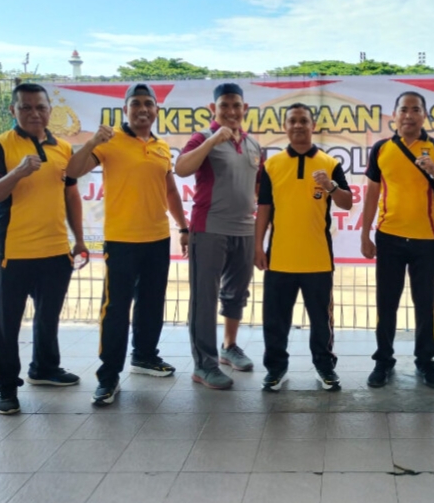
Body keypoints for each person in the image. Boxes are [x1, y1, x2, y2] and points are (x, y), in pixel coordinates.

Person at [66, 83, 188, 407]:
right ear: (125, 110)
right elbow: (72, 171)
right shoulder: (109, 141)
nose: (143, 109)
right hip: (121, 241)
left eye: (149, 104)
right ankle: (108, 378)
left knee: (151, 303)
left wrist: (183, 226)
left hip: (157, 238)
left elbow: (170, 191)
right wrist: (92, 141)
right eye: (136, 104)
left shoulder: (161, 147)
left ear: (156, 110)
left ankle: (145, 356)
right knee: (116, 310)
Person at [0, 83, 87, 415]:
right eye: (25, 107)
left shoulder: (62, 148)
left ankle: (45, 368)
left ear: (50, 110)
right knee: (7, 323)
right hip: (14, 252)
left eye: (40, 107)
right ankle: (6, 387)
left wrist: (79, 239)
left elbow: (70, 194)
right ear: (13, 110)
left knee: (48, 317)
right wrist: (18, 172)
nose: (34, 113)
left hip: (55, 250)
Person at [361, 91, 434, 389]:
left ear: (424, 116)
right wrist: (365, 234)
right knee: (386, 303)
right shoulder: (381, 149)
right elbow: (372, 194)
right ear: (394, 115)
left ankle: (426, 362)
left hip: (425, 239)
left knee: (425, 304)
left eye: (415, 109)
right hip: (389, 237)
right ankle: (383, 360)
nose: (409, 115)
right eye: (403, 109)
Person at [254, 103, 353, 391]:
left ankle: (325, 367)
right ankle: (276, 369)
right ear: (285, 127)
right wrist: (257, 246)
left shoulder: (329, 163)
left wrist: (331, 186)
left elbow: (347, 202)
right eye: (293, 121)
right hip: (280, 258)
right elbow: (264, 208)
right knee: (275, 320)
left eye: (303, 121)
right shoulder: (272, 165)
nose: (298, 125)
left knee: (321, 321)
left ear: (313, 126)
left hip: (317, 259)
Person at [175, 83, 263, 390]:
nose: (231, 111)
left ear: (245, 108)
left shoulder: (253, 145)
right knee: (205, 299)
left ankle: (229, 347)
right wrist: (213, 140)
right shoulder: (202, 137)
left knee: (236, 294)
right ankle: (204, 364)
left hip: (245, 230)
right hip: (209, 229)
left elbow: (258, 188)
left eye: (236, 105)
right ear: (213, 109)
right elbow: (181, 168)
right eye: (224, 106)